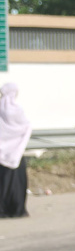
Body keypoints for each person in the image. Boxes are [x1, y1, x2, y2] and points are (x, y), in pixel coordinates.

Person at [0, 83, 33, 218]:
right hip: (16, 154)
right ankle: (17, 210)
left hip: (1, 154)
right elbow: (25, 127)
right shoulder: (18, 110)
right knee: (17, 183)